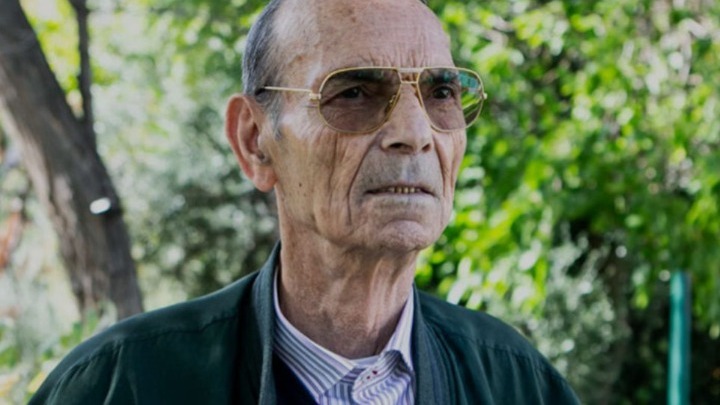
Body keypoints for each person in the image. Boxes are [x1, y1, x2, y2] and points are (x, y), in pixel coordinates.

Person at [31, 0, 580, 403]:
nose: (415, 133)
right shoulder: (123, 384)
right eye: (355, 93)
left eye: (441, 92)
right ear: (254, 141)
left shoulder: (516, 384)